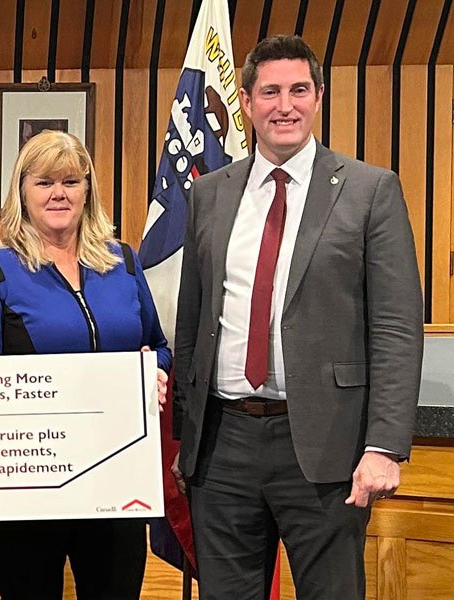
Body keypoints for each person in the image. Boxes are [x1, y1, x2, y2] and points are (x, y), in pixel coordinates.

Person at [170, 35, 424, 600]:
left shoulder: (369, 190)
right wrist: (188, 433)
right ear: (246, 100)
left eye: (298, 90)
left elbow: (397, 327)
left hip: (326, 445)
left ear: (318, 97)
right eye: (270, 92)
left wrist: (384, 445)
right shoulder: (209, 193)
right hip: (222, 444)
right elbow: (191, 322)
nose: (285, 105)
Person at [0, 130, 172, 599]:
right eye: (44, 182)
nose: (59, 194)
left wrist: (155, 372)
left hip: (116, 482)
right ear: (22, 191)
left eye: (71, 181)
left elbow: (158, 345)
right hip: (28, 489)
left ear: (87, 189)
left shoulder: (123, 263)